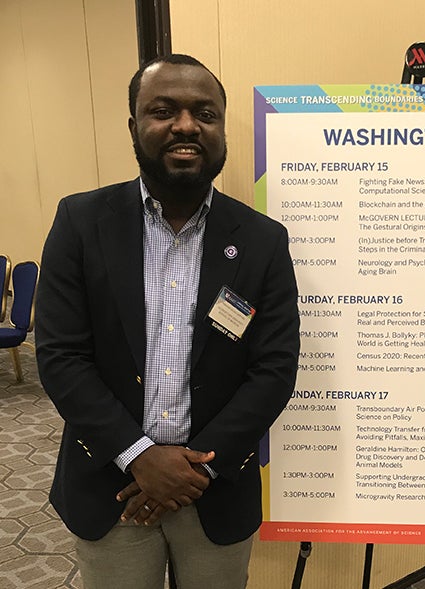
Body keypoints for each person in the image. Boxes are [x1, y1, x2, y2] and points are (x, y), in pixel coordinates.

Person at [35, 54, 300, 589]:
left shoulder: (262, 239)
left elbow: (274, 368)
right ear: (135, 127)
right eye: (163, 110)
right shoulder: (81, 222)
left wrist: (194, 469)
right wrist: (140, 458)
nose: (185, 125)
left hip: (215, 487)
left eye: (204, 113)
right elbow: (62, 356)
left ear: (222, 129)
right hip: (110, 487)